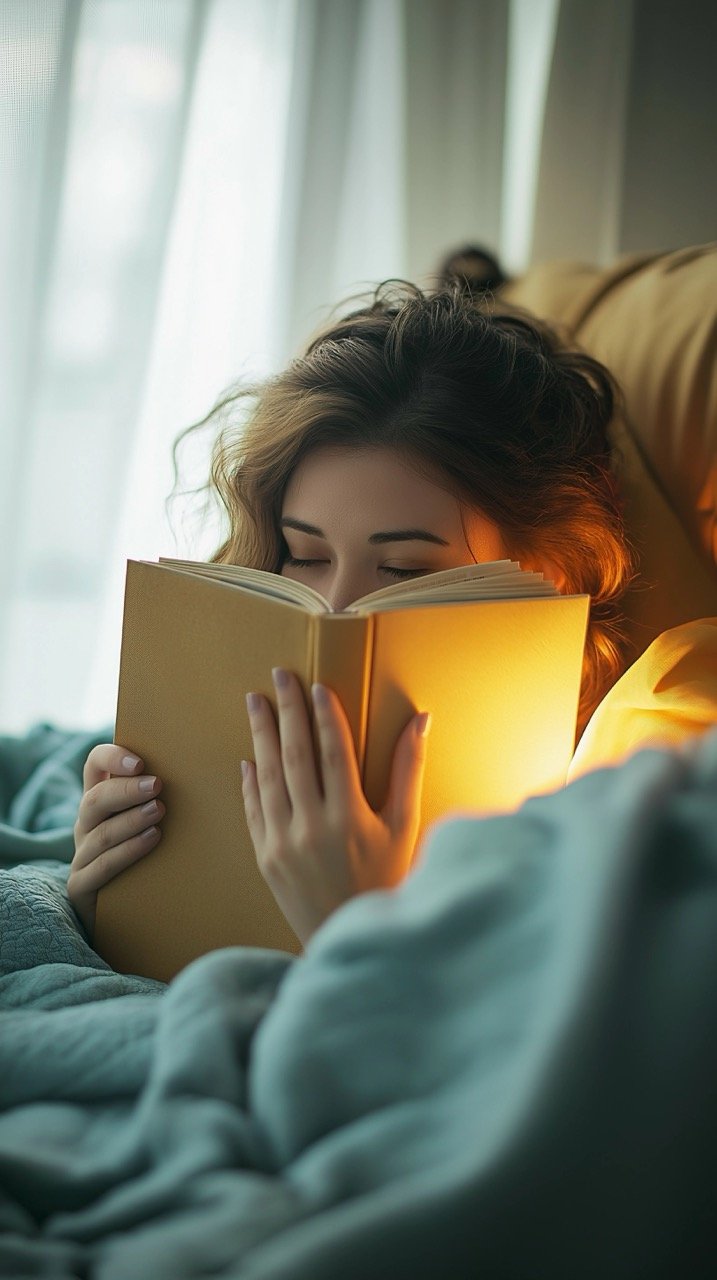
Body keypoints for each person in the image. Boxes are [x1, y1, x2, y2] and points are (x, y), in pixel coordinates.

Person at [68, 281, 633, 945]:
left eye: (405, 571)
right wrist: (103, 898)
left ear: (545, 581)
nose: (335, 609)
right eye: (304, 554)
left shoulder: (599, 842)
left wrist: (352, 929)